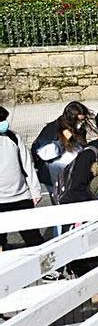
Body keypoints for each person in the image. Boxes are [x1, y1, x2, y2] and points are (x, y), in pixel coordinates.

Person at [0, 106, 44, 249]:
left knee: (34, 240)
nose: (4, 123)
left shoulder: (14, 137)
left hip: (21, 198)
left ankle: (47, 270)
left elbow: (27, 165)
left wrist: (35, 190)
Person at [31, 101, 91, 195]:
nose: (81, 123)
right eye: (78, 120)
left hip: (73, 176)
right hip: (55, 177)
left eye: (83, 120)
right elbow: (42, 153)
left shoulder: (79, 129)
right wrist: (62, 142)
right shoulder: (52, 129)